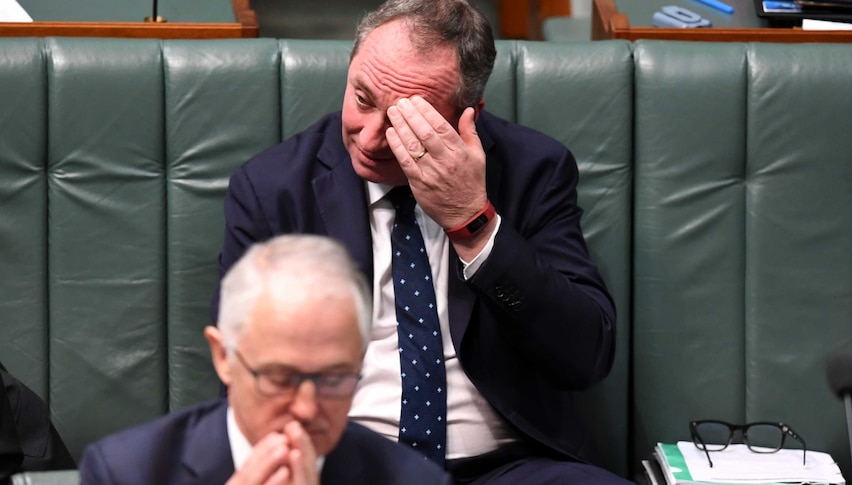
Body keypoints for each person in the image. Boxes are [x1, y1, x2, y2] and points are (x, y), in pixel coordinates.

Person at [213, 0, 630, 482]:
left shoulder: (533, 169)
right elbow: (243, 371)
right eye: (363, 99)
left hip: (508, 467)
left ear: (469, 116)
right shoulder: (271, 189)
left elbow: (585, 357)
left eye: (403, 122)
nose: (369, 139)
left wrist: (473, 222)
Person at [80, 235, 451, 484]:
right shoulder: (126, 471)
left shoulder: (412, 478)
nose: (307, 409)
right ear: (223, 357)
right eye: (281, 378)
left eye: (335, 379)